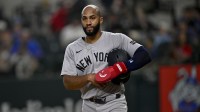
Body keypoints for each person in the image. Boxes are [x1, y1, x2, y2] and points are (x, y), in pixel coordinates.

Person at [60, 4, 151, 112]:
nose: (88, 22)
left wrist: (120, 68)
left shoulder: (117, 39)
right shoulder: (72, 48)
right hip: (89, 105)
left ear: (101, 19)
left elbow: (144, 55)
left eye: (92, 18)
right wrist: (88, 77)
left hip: (114, 102)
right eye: (85, 18)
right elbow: (67, 82)